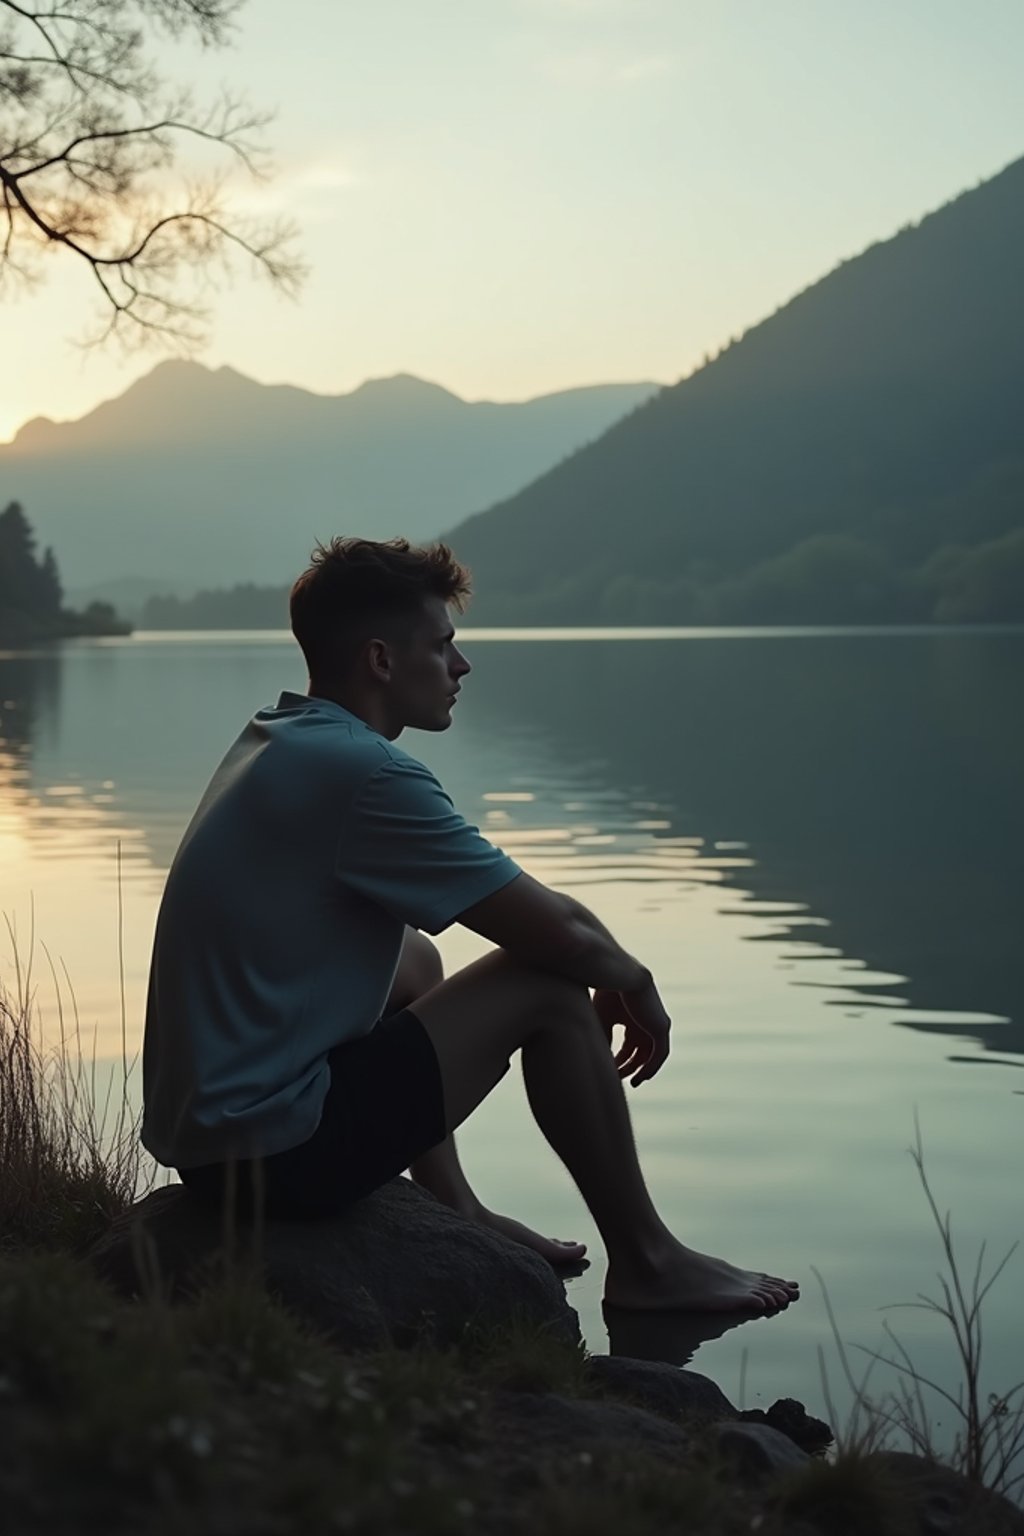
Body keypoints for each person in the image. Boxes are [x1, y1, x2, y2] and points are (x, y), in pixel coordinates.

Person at [141, 536, 799, 1315]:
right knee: (549, 989)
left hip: (213, 1146)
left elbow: (533, 910)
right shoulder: (365, 773)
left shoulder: (282, 737)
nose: (462, 666)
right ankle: (649, 1263)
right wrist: (634, 977)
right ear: (382, 661)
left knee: (415, 959)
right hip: (279, 1158)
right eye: (444, 645)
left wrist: (606, 959)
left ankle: (453, 1202)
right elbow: (556, 937)